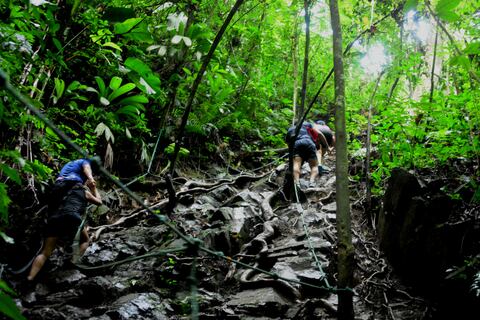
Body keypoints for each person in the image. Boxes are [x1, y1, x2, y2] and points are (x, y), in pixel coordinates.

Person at [27, 158, 102, 281]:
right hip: (72, 217)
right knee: (85, 240)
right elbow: (99, 201)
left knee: (45, 253)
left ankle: (30, 278)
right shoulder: (82, 186)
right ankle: (73, 261)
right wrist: (92, 184)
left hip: (54, 219)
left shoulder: (63, 181)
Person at [286, 122, 323, 189]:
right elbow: (316, 134)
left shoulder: (290, 129)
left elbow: (289, 144)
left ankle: (297, 183)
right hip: (309, 142)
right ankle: (311, 182)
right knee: (314, 165)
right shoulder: (306, 126)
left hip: (297, 144)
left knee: (296, 164)